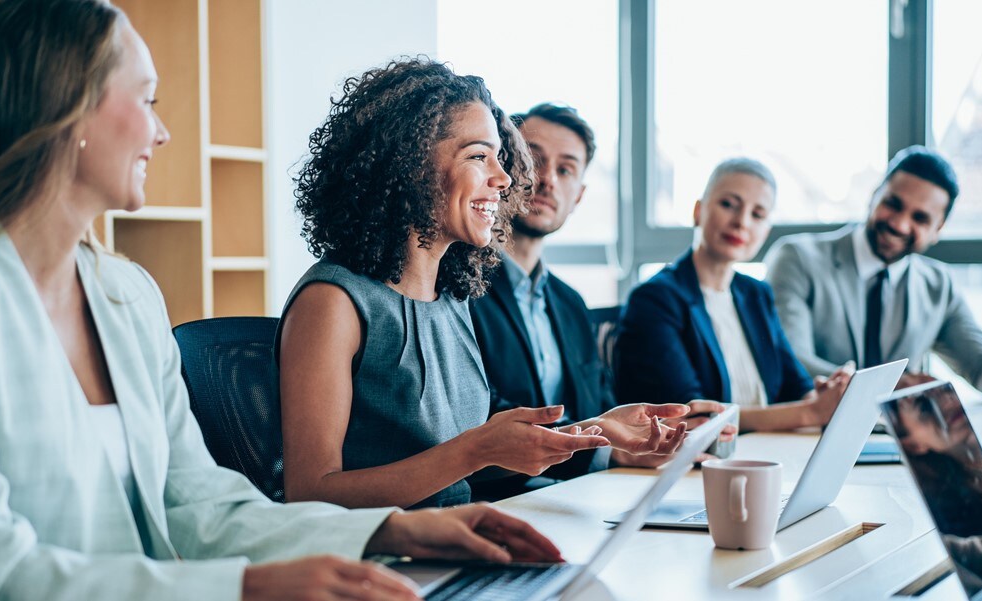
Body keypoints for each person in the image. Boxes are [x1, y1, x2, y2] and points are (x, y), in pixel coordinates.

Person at [0, 3, 565, 599]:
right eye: (148, 99)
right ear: (64, 107)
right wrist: (246, 587)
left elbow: (198, 503)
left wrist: (390, 530)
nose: (162, 132)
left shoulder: (124, 293)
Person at [278, 59, 690, 511]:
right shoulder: (332, 302)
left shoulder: (452, 298)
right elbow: (311, 494)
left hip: (459, 537)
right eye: (479, 156)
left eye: (499, 156)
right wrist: (475, 450)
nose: (506, 178)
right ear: (409, 163)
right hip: (386, 563)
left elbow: (472, 462)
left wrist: (595, 430)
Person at [469, 103, 731, 501]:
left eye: (566, 169)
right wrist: (605, 450)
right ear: (505, 169)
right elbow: (479, 412)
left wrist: (649, 436)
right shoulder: (461, 286)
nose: (548, 180)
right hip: (502, 497)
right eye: (533, 160)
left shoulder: (570, 303)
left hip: (580, 493)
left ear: (579, 196)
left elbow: (601, 407)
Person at [765, 146, 982, 410]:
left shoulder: (938, 285)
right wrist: (888, 386)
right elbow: (791, 360)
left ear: (938, 229)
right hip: (807, 436)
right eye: (893, 204)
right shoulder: (797, 258)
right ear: (874, 195)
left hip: (903, 445)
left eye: (920, 218)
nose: (900, 224)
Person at [616, 158, 851, 431]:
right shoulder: (654, 299)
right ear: (698, 211)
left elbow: (796, 385)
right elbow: (692, 416)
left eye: (757, 215)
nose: (741, 222)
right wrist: (811, 413)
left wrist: (826, 397)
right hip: (698, 461)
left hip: (767, 450)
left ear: (766, 231)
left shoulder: (756, 294)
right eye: (728, 205)